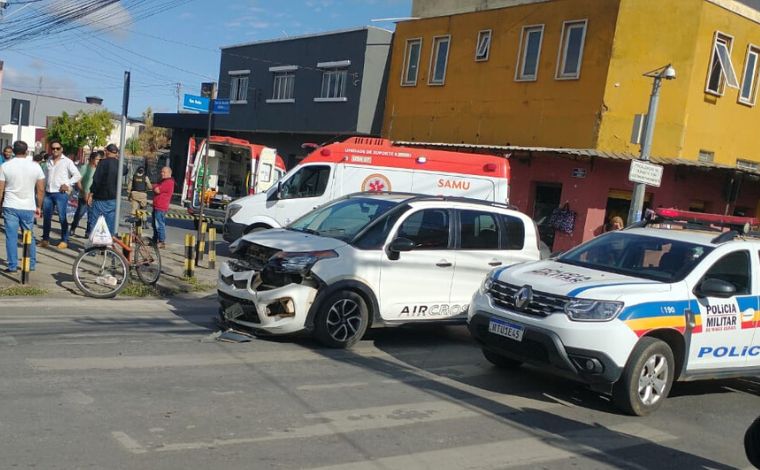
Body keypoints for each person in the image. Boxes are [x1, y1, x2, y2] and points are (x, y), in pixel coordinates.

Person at [0, 141, 45, 273]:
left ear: (13, 151)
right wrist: (39, 206)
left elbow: (1, 188)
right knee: (28, 235)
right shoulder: (35, 166)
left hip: (10, 205)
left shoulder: (5, 166)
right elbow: (41, 189)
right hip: (28, 205)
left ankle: (12, 265)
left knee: (11, 236)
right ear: (26, 151)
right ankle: (31, 263)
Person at [40, 139, 81, 250]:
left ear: (61, 149)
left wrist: (67, 183)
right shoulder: (48, 160)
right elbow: (45, 175)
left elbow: (77, 175)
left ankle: (64, 240)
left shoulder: (67, 161)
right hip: (48, 192)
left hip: (60, 193)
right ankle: (45, 239)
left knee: (62, 217)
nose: (55, 150)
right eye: (53, 148)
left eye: (57, 148)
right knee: (47, 217)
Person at [88, 143, 120, 236]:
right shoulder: (119, 164)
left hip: (100, 198)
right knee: (110, 222)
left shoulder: (103, 163)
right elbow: (125, 170)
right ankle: (109, 243)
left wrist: (91, 193)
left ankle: (94, 243)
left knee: (95, 222)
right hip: (113, 198)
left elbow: (96, 180)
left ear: (107, 152)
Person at [69, 152, 100, 238]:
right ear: (92, 159)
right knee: (80, 213)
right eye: (97, 159)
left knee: (92, 215)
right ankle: (73, 227)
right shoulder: (85, 167)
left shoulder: (99, 169)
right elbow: (78, 181)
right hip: (84, 195)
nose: (98, 161)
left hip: (93, 196)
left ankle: (88, 232)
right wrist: (83, 192)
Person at [151, 167, 175, 249]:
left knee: (159, 224)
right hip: (156, 205)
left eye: (164, 172)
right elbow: (156, 187)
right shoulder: (163, 181)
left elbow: (157, 190)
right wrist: (155, 186)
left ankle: (161, 241)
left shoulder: (169, 182)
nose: (162, 173)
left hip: (161, 206)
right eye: (161, 172)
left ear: (169, 173)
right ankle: (155, 239)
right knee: (154, 224)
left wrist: (154, 186)